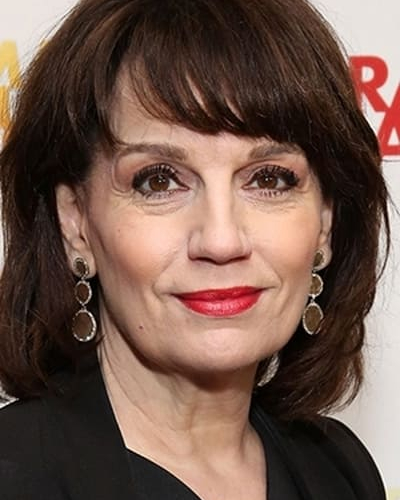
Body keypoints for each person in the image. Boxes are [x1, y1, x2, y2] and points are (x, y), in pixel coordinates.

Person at [0, 0, 389, 498]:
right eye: (159, 181)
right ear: (75, 221)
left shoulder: (339, 470)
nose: (221, 241)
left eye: (269, 179)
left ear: (324, 223)